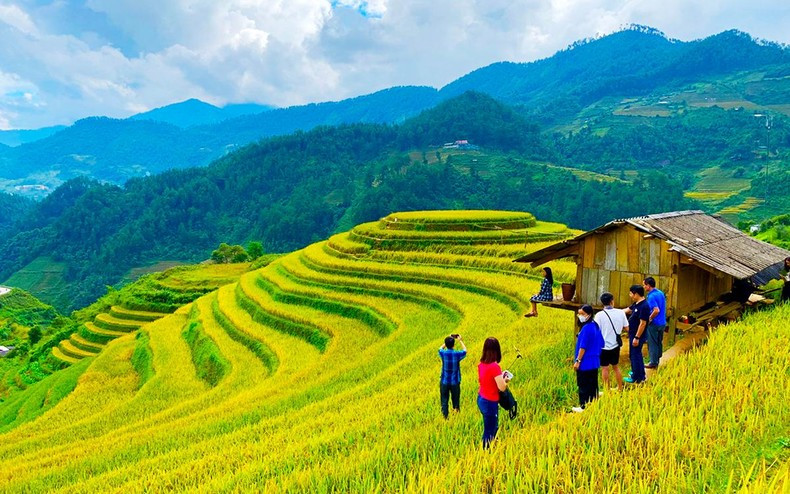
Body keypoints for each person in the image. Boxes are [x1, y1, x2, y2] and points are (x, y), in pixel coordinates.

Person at [477, 337, 511, 449]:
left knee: (491, 426)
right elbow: (502, 388)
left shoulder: (481, 364)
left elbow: (488, 381)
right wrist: (505, 380)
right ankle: (485, 452)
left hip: (481, 398)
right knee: (490, 430)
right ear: (497, 350)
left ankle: (492, 446)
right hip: (490, 402)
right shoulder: (494, 367)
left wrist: (500, 376)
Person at [572, 305, 604, 412]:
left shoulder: (586, 328)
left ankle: (583, 406)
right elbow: (602, 343)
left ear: (589, 314)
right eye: (579, 313)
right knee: (593, 384)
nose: (580, 316)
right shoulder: (595, 326)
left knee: (583, 385)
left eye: (582, 314)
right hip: (594, 361)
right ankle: (593, 404)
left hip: (585, 362)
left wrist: (578, 361)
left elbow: (583, 346)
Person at [593, 292, 628, 392]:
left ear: (602, 303)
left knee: (605, 368)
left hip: (603, 346)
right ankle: (620, 388)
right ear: (612, 301)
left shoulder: (599, 315)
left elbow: (596, 330)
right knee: (616, 367)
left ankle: (607, 390)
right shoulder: (620, 313)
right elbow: (627, 327)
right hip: (615, 345)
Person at [624, 285, 650, 384]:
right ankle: (638, 373)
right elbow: (628, 310)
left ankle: (637, 377)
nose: (630, 295)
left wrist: (637, 337)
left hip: (637, 335)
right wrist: (614, 312)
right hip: (633, 334)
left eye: (631, 293)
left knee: (635, 355)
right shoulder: (637, 304)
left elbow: (643, 323)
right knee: (634, 354)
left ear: (636, 294)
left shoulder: (644, 306)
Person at [438, 334, 467, 419]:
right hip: (455, 382)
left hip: (444, 381)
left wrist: (448, 340)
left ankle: (445, 418)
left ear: (446, 344)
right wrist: (460, 340)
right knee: (456, 401)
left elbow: (440, 348)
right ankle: (456, 417)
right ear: (454, 345)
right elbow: (465, 351)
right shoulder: (457, 354)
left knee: (444, 401)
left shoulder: (443, 353)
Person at [643, 277, 666, 369]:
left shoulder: (651, 296)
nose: (644, 287)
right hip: (662, 322)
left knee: (652, 343)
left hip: (654, 323)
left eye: (644, 285)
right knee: (659, 341)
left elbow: (656, 310)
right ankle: (657, 359)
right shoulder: (660, 293)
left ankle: (653, 362)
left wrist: (649, 318)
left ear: (648, 285)